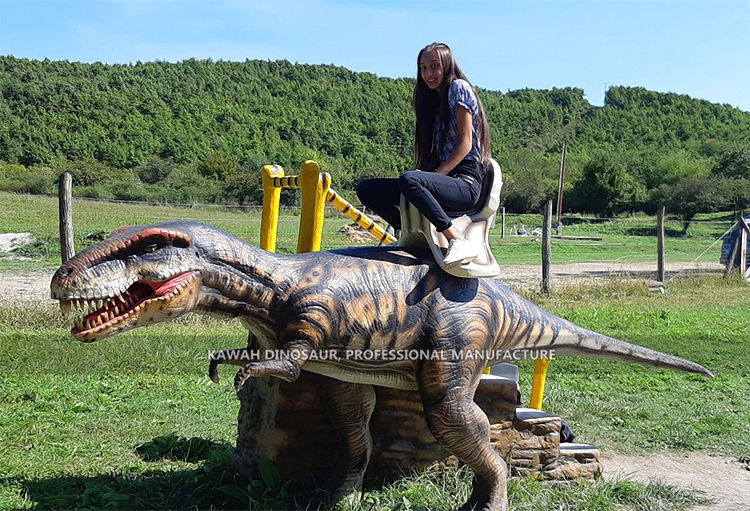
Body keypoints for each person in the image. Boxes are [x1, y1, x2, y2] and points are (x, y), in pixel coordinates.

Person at [356, 42, 492, 267]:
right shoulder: (431, 101)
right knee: (367, 189)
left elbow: (465, 145)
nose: (429, 73)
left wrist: (435, 175)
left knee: (411, 179)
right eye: (423, 68)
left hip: (466, 181)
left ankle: (457, 240)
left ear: (447, 65)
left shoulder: (458, 88)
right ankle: (414, 237)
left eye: (435, 66)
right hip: (446, 180)